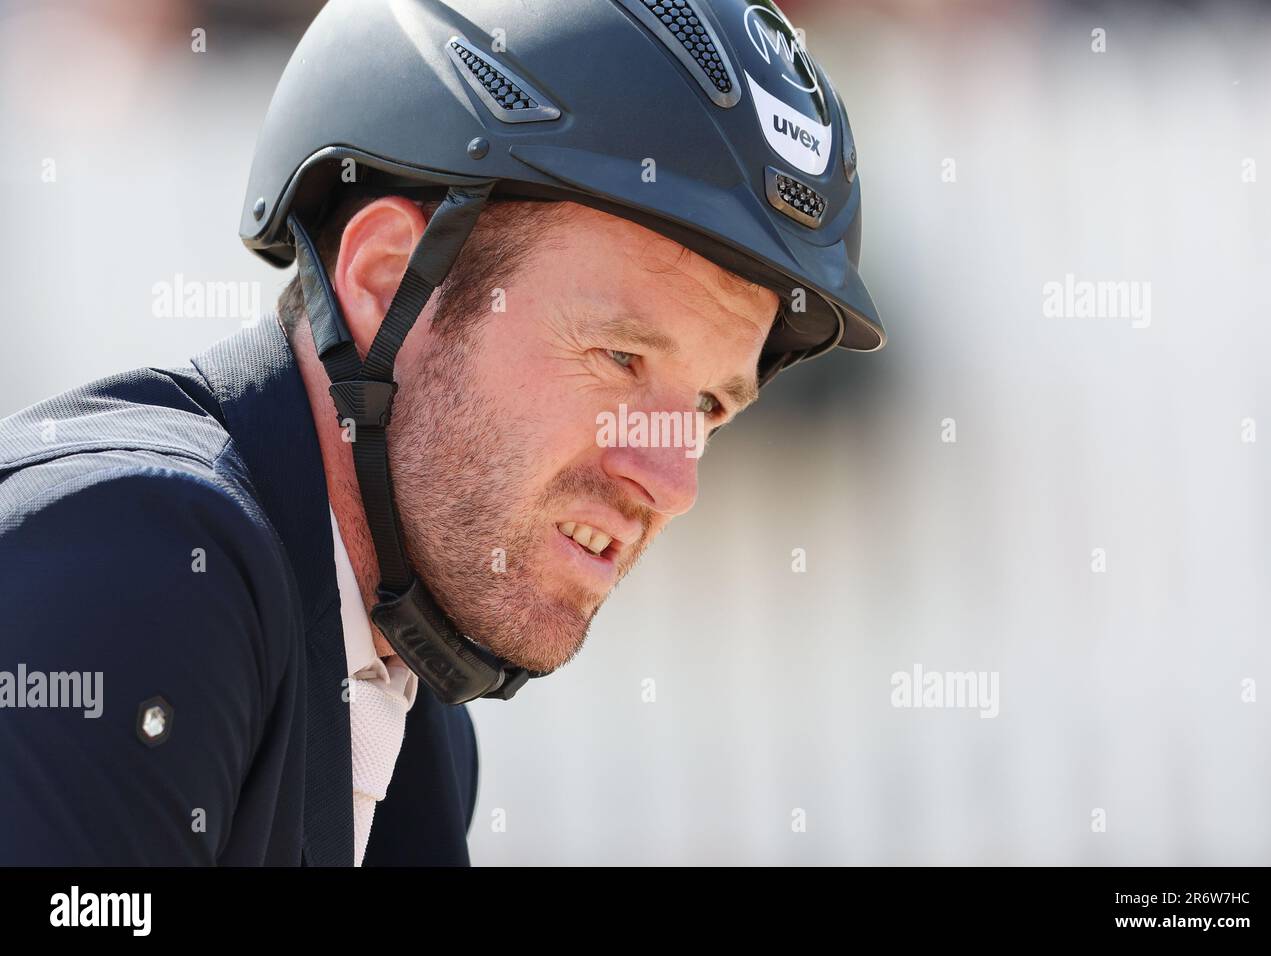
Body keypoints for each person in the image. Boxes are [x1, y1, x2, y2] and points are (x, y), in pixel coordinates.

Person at [0, 0, 882, 865]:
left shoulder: (410, 721)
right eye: (619, 358)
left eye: (706, 408)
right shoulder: (136, 566)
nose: (674, 479)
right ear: (386, 279)